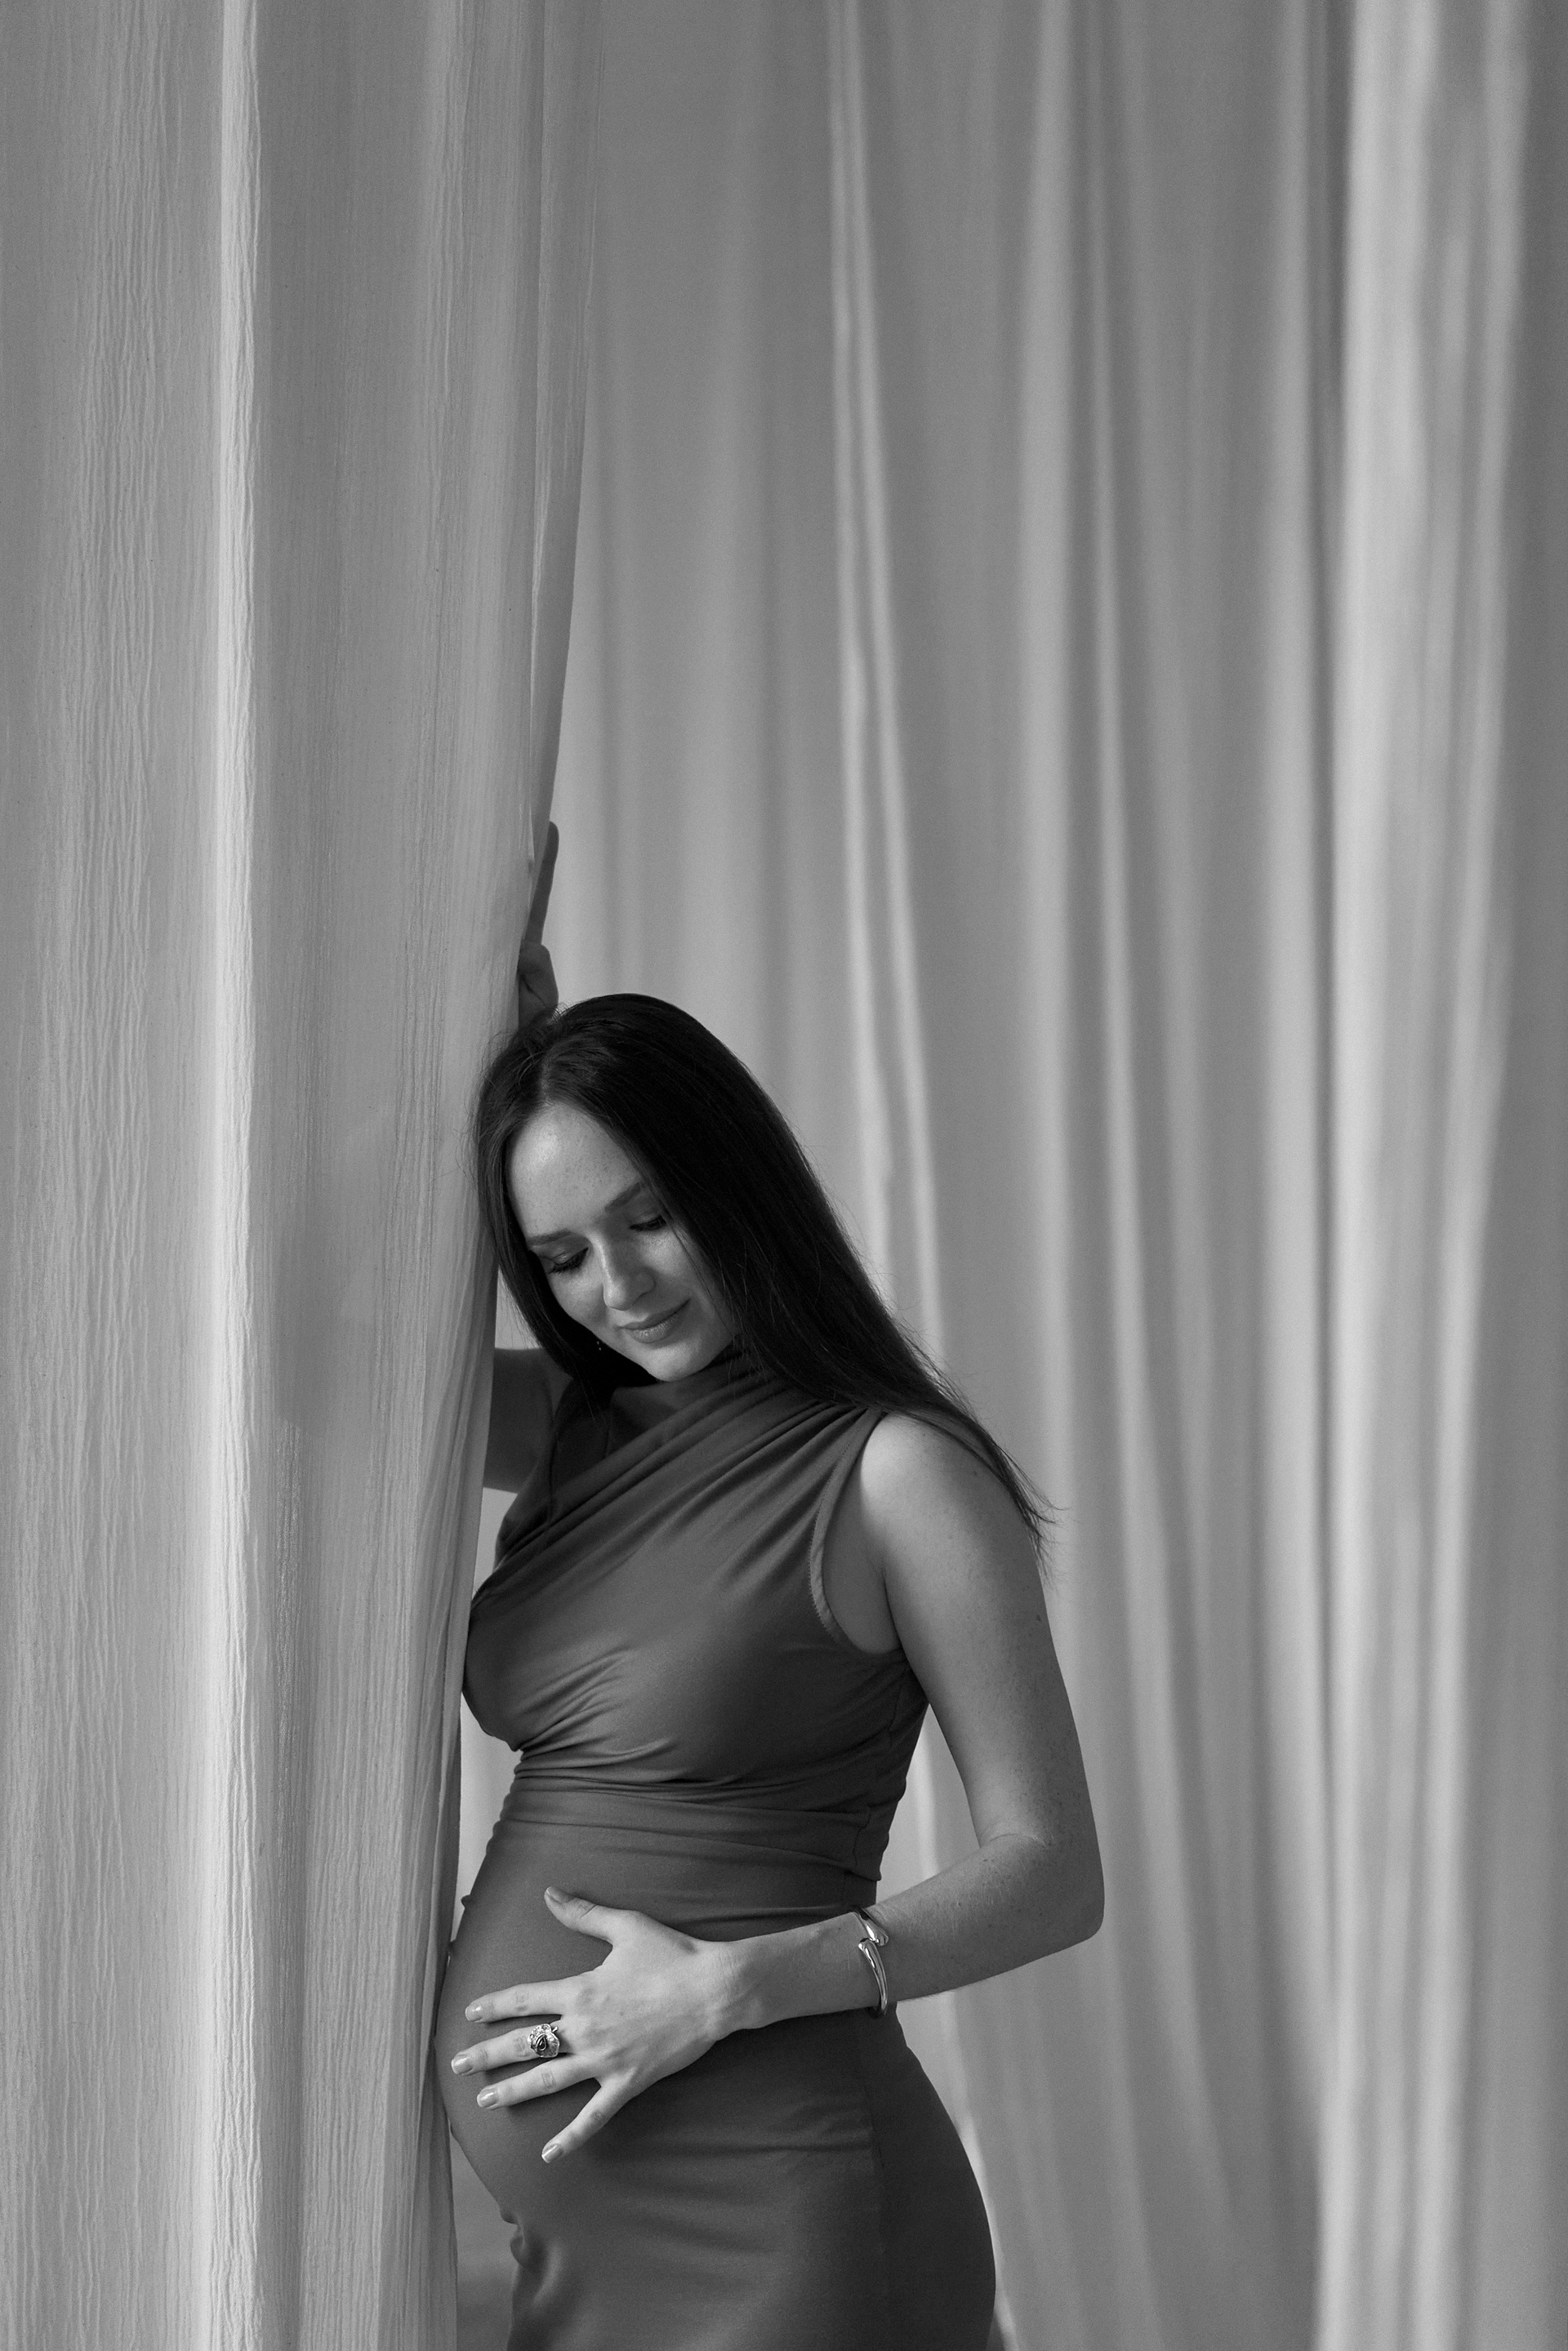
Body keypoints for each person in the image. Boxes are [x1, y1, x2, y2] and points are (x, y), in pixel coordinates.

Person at [436, 827, 1102, 2350]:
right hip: (579, 2248)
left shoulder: (895, 1474)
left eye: (650, 1217)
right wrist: (474, 1045)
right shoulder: (583, 1426)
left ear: (738, 1187)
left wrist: (728, 1989)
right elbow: (319, 1361)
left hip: (792, 2215)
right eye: (564, 1255)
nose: (620, 1287)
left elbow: (1054, 1871)